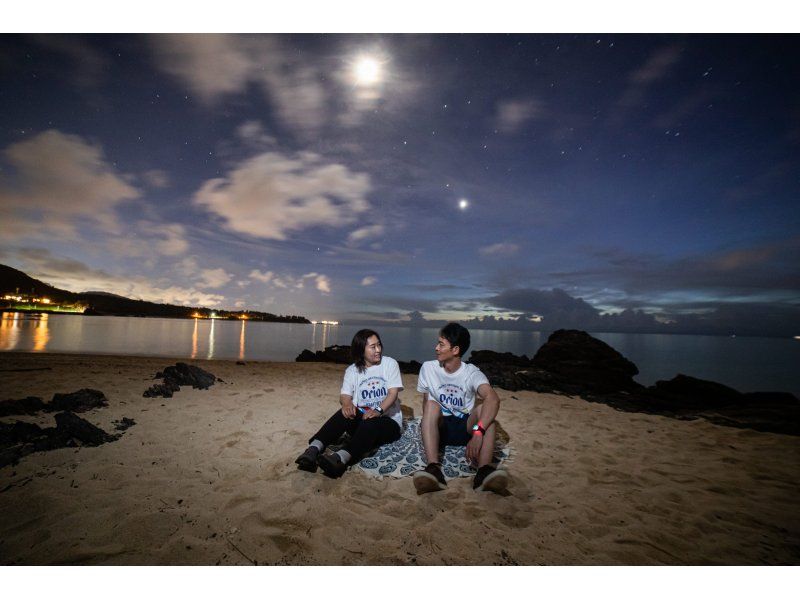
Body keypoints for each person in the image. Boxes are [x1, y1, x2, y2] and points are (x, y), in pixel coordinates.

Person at [413, 322, 508, 494]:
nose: (436, 348)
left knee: (488, 416)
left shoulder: (471, 373)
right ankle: (434, 469)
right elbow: (425, 403)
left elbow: (493, 398)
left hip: (465, 428)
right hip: (439, 429)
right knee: (431, 405)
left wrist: (478, 431)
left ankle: (483, 472)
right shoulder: (428, 368)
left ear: (455, 350)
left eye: (441, 344)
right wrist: (428, 426)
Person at [295, 329, 403, 478]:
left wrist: (378, 410)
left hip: (388, 422)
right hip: (362, 423)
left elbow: (393, 393)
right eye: (372, 347)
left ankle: (341, 458)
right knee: (345, 412)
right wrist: (346, 404)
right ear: (361, 350)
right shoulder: (352, 371)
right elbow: (345, 395)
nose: (378, 350)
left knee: (370, 421)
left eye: (379, 345)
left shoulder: (389, 364)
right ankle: (313, 449)